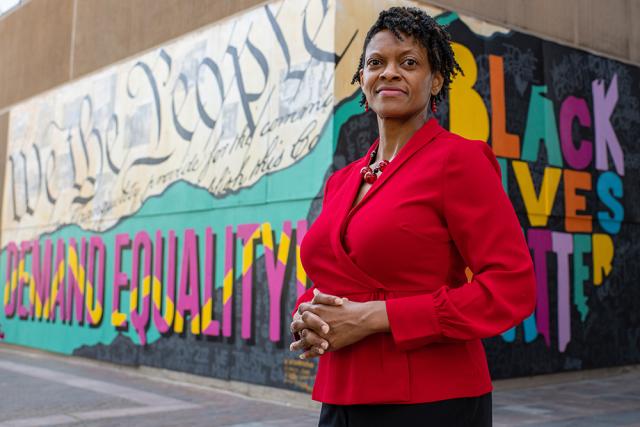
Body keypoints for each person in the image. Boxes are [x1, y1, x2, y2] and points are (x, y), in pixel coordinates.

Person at [289, 6, 536, 427]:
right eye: (375, 63)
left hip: (431, 401)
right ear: (362, 82)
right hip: (341, 393)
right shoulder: (343, 179)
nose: (388, 72)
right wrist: (307, 314)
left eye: (409, 63)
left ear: (436, 80)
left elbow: (511, 287)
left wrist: (374, 319)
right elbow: (336, 279)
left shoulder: (460, 160)